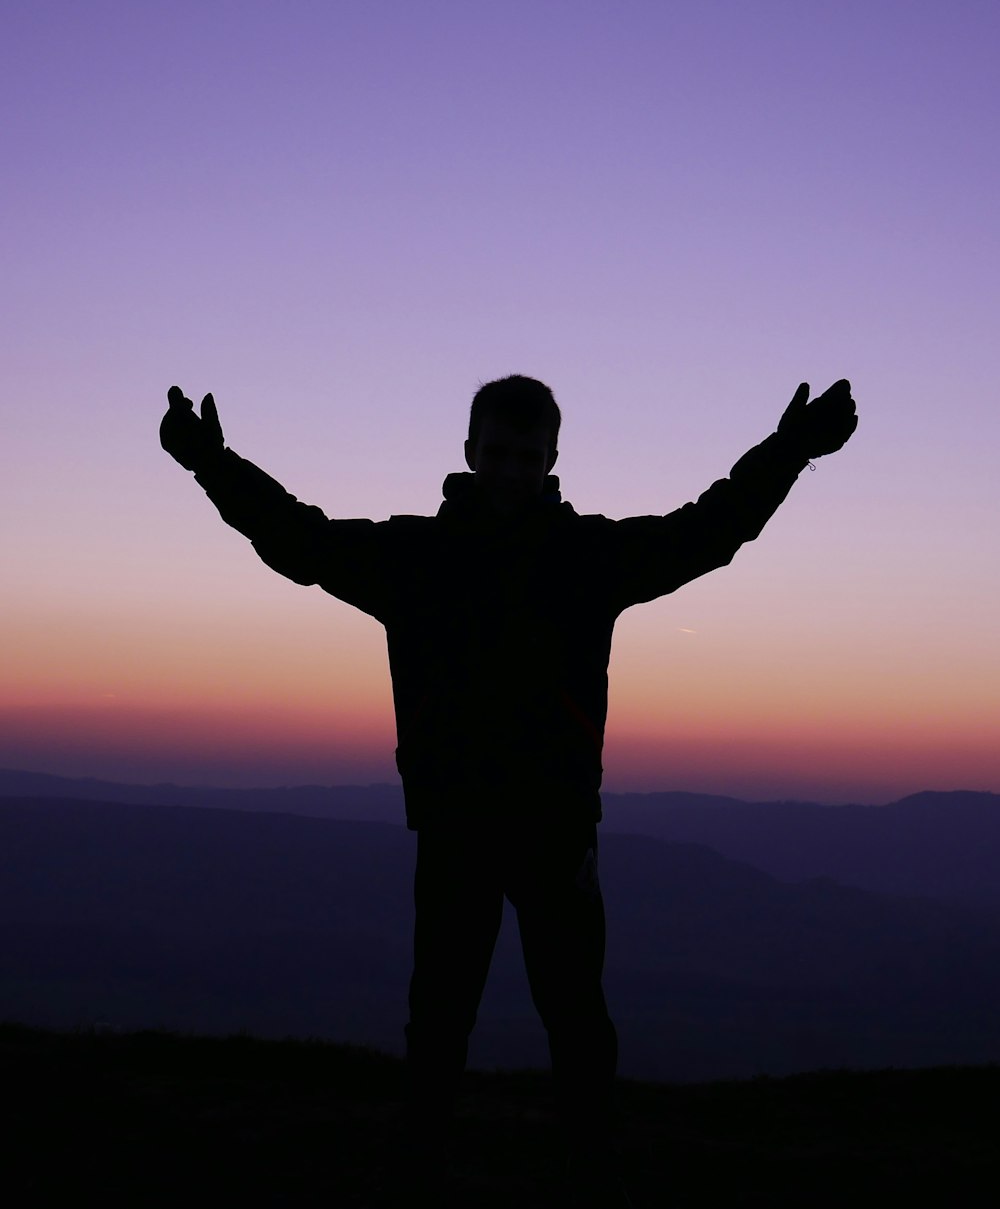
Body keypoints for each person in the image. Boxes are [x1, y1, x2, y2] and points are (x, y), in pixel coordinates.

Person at [160, 374, 857, 1204]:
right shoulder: (414, 557)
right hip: (456, 829)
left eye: (529, 456)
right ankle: (426, 1168)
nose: (513, 470)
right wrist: (211, 465)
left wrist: (788, 453)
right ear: (468, 452)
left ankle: (586, 1167)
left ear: (553, 459)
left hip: (556, 832)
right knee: (442, 1019)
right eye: (499, 453)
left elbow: (707, 531)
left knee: (573, 1018)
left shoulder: (585, 558)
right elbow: (297, 541)